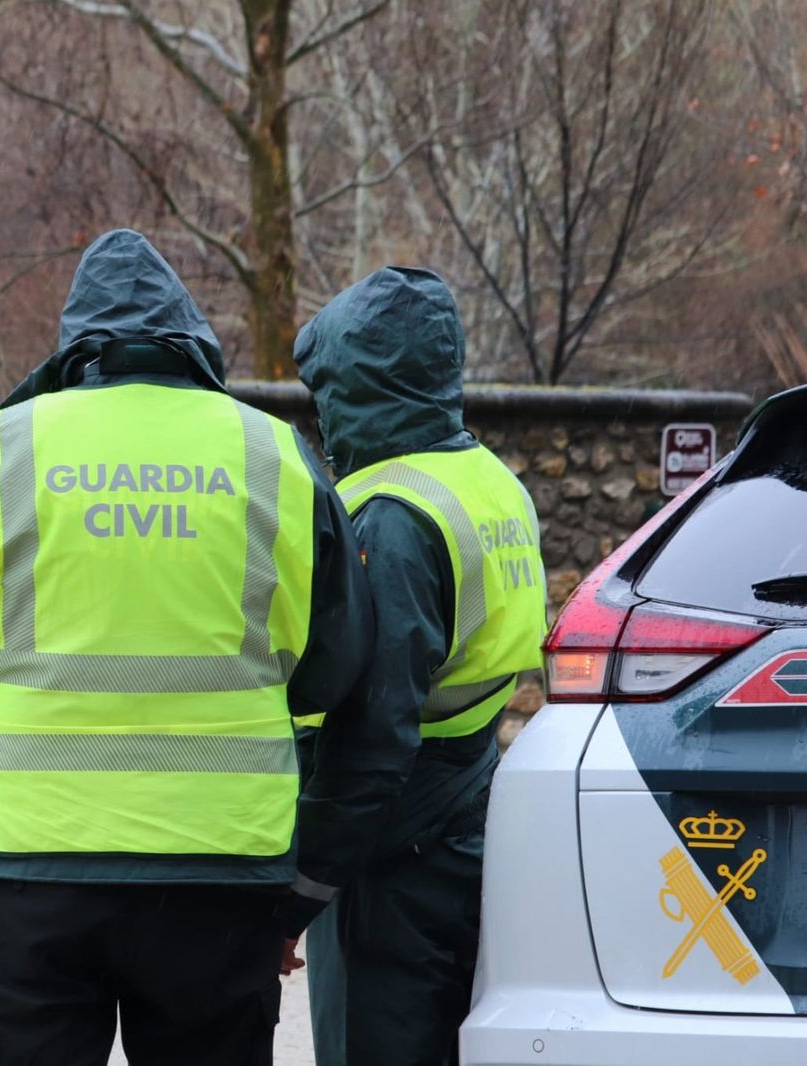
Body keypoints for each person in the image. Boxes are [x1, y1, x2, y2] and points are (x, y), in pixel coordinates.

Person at [0, 228, 386, 1065]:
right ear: (194, 342)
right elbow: (334, 665)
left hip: (32, 859)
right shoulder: (274, 454)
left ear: (76, 348)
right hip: (219, 866)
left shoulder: (3, 447)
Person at [291, 267, 549, 1066]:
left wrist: (304, 889)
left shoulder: (391, 516)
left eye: (327, 386)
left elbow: (372, 735)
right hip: (470, 809)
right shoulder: (493, 483)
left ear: (358, 384)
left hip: (387, 852)